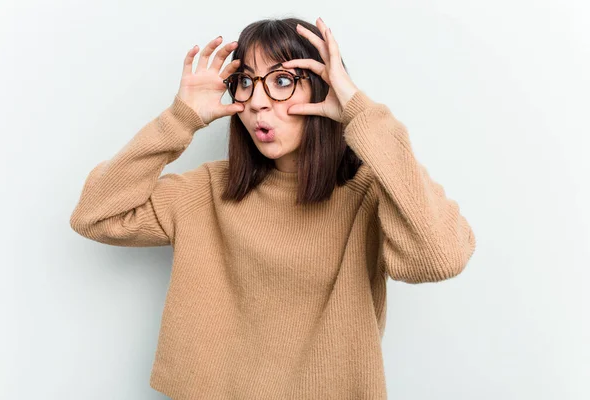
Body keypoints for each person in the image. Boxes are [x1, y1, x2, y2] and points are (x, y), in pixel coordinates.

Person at [70, 16, 476, 400]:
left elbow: (441, 257)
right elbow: (95, 214)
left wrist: (358, 111)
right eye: (245, 82)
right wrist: (181, 119)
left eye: (282, 80)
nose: (258, 102)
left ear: (323, 88)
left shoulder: (368, 194)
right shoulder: (209, 190)